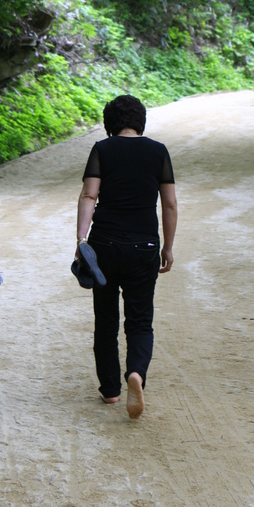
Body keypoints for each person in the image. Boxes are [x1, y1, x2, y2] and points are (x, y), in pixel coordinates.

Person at [75, 94, 177, 419]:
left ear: (109, 124)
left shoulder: (102, 150)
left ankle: (110, 391)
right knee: (139, 319)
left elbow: (90, 193)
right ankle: (136, 373)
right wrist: (168, 246)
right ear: (140, 122)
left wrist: (81, 239)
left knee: (105, 319)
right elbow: (170, 204)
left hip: (104, 244)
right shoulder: (158, 151)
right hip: (144, 245)